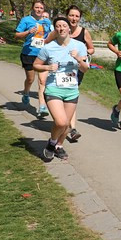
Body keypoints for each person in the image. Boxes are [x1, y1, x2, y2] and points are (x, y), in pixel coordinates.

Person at [32, 16, 90, 162]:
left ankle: (58, 146)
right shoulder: (48, 47)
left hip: (71, 89)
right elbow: (36, 65)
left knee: (67, 125)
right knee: (61, 122)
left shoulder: (79, 46)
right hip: (53, 88)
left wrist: (78, 59)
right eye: (58, 26)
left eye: (64, 25)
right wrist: (48, 67)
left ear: (69, 28)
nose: (61, 28)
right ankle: (52, 142)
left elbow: (85, 69)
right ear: (55, 29)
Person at [14, 0, 53, 117]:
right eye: (37, 7)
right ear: (32, 8)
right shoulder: (26, 20)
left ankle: (42, 106)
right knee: (30, 79)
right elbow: (16, 35)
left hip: (42, 54)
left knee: (42, 81)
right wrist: (28, 32)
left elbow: (51, 36)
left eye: (41, 8)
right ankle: (26, 93)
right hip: (28, 53)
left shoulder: (47, 22)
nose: (39, 10)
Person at [65, 5, 95, 143]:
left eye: (77, 16)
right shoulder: (60, 30)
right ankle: (63, 122)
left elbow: (91, 48)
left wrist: (85, 55)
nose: (74, 18)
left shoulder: (84, 32)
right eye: (71, 15)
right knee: (62, 96)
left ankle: (72, 128)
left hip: (77, 69)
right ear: (67, 16)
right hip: (61, 69)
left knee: (72, 95)